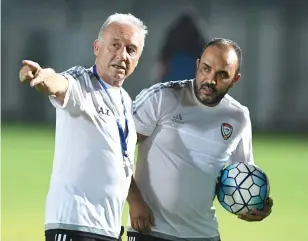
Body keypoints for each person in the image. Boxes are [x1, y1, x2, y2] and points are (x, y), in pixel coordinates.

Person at [126, 38, 273, 241]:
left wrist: (254, 206)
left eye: (222, 75)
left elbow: (240, 177)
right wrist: (134, 201)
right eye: (206, 69)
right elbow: (116, 149)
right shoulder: (162, 97)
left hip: (204, 235)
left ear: (235, 80)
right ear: (197, 66)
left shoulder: (238, 117)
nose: (210, 80)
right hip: (151, 229)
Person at [18, 13, 148, 241]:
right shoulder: (82, 82)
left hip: (108, 229)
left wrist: (135, 201)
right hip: (74, 224)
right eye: (114, 45)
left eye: (131, 49)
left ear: (139, 57)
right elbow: (59, 83)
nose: (122, 55)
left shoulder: (125, 100)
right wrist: (42, 76)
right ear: (97, 47)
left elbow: (120, 160)